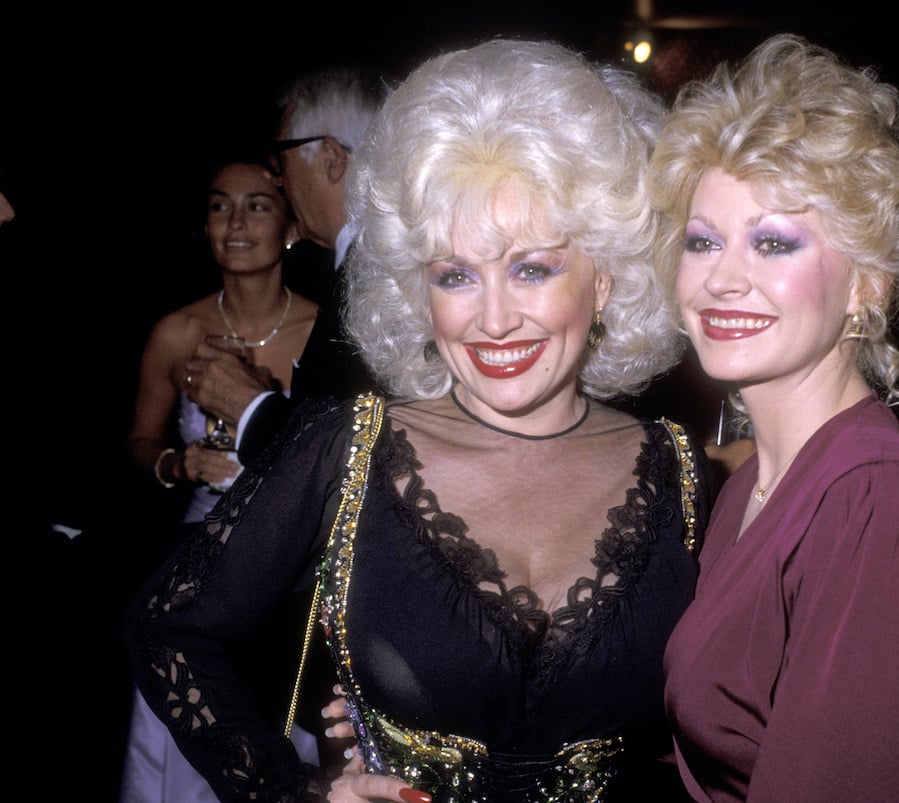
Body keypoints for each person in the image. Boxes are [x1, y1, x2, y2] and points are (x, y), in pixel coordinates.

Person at [125, 38, 710, 803]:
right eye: (456, 274)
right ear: (417, 288)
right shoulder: (354, 446)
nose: (494, 319)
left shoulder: (682, 470)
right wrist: (294, 789)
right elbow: (169, 626)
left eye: (532, 267)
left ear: (603, 277)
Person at [646, 34, 899, 801]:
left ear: (867, 284)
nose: (723, 278)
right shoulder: (749, 487)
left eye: (774, 242)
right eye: (703, 241)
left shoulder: (885, 508)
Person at [120, 153, 321, 803]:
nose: (235, 222)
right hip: (199, 564)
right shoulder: (177, 332)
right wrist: (175, 464)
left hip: (297, 572)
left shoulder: (325, 333)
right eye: (218, 206)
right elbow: (140, 441)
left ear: (291, 224)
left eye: (257, 205)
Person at [183, 63, 386, 469]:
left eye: (281, 159)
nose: (278, 179)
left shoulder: (380, 275)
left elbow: (360, 462)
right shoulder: (362, 264)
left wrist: (253, 408)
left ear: (330, 158)